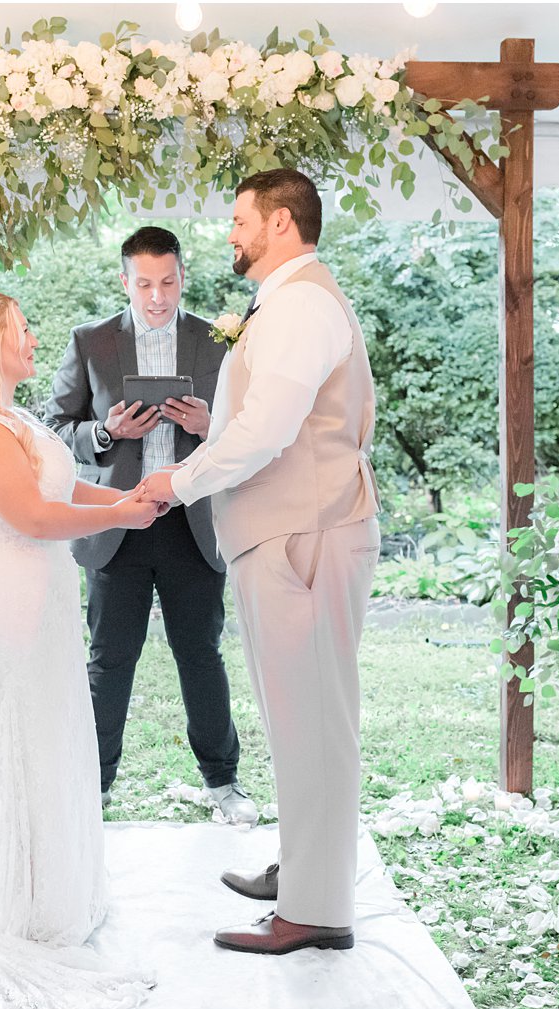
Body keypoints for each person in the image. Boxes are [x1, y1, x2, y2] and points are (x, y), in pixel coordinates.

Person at [138, 168, 381, 955]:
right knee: (297, 717)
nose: (232, 234)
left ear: (281, 222)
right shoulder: (286, 302)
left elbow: (270, 427)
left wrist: (180, 479)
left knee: (314, 718)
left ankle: (315, 907)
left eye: (241, 220)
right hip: (287, 534)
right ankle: (308, 867)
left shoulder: (303, 303)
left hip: (303, 535)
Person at [0, 290, 159, 1009]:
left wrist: (124, 497)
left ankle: (46, 887)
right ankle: (7, 904)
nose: (32, 336)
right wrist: (119, 511)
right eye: (21, 327)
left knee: (42, 737)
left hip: (36, 594)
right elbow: (29, 513)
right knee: (9, 741)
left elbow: (59, 482)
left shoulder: (14, 418)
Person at [46, 225, 254, 823]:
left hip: (194, 522)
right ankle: (94, 788)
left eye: (167, 282)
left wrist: (210, 423)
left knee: (202, 655)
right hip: (118, 523)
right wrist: (109, 432)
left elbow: (249, 430)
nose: (157, 296)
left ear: (182, 277)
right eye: (144, 284)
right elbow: (55, 431)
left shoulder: (220, 341)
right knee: (110, 659)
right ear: (125, 281)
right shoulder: (90, 342)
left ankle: (224, 785)